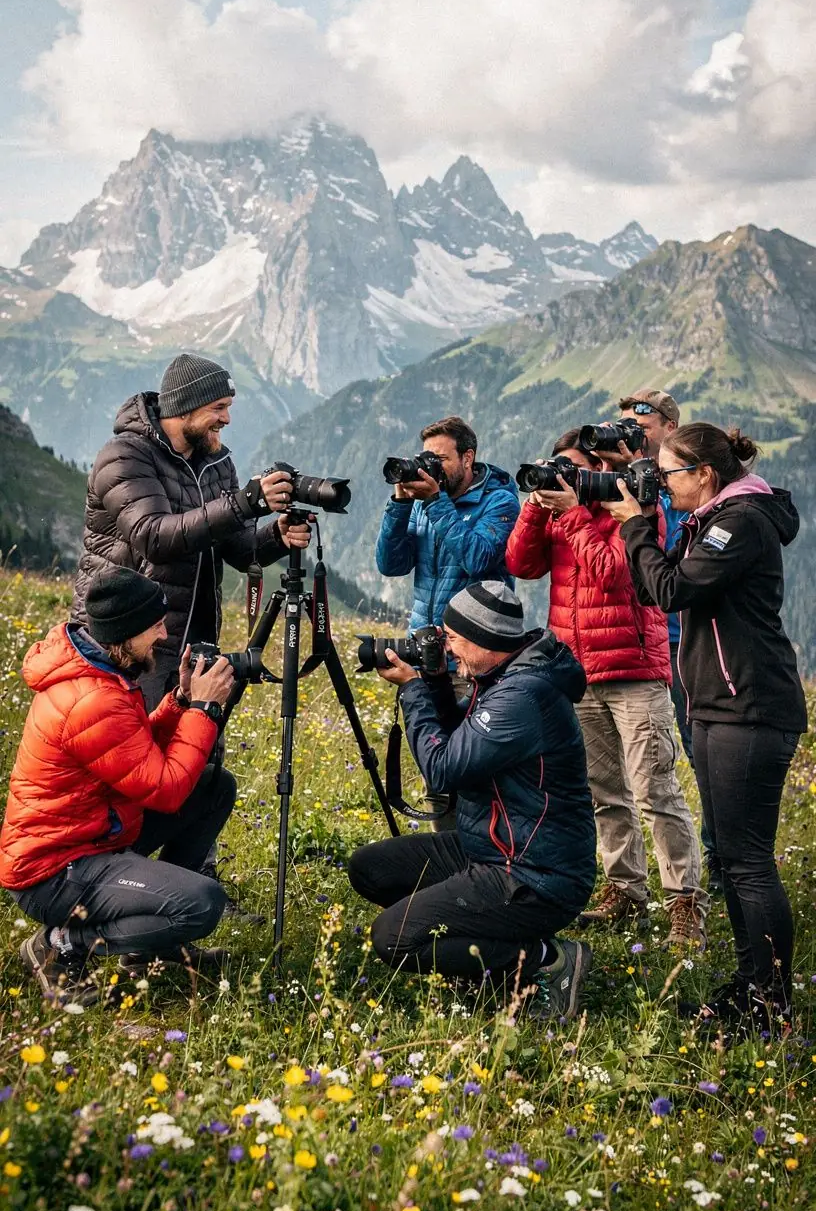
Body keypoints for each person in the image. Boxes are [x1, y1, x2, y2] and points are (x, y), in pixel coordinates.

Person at [71, 352, 313, 916]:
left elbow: (235, 546)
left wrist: (277, 534)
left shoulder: (214, 461)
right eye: (220, 408)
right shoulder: (122, 457)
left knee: (199, 760)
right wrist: (241, 503)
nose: (227, 420)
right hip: (131, 642)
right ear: (185, 406)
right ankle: (115, 889)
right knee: (138, 769)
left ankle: (186, 882)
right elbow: (153, 535)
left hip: (193, 635)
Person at [610, 423, 808, 1032]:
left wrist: (638, 523)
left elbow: (669, 590)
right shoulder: (718, 517)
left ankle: (771, 1003)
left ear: (704, 474)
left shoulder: (739, 523)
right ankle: (752, 984)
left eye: (669, 474)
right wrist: (650, 522)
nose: (663, 484)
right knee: (730, 855)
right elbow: (661, 585)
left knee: (748, 862)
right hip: (723, 707)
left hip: (749, 709)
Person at [348, 581, 597, 1019]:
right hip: (490, 845)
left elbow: (444, 767)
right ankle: (484, 954)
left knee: (394, 937)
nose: (447, 648)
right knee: (370, 869)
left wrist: (412, 692)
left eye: (453, 639)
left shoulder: (522, 695)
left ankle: (547, 960)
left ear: (486, 640)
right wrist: (439, 685)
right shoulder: (501, 675)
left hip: (533, 873)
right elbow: (466, 737)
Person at [505, 428, 707, 947]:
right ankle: (626, 891)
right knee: (604, 792)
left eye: (572, 470)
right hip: (578, 672)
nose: (564, 479)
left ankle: (685, 904)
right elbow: (521, 565)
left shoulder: (633, 508)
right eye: (558, 469)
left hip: (633, 670)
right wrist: (535, 506)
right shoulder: (557, 515)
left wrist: (573, 513)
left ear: (597, 472)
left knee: (655, 790)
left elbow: (614, 574)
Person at [0, 569, 237, 1008]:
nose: (164, 636)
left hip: (90, 835)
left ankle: (156, 950)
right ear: (125, 633)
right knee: (201, 904)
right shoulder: (93, 698)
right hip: (54, 871)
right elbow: (165, 791)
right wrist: (204, 709)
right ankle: (59, 943)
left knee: (213, 787)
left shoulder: (101, 670)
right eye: (155, 627)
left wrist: (180, 702)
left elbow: (132, 752)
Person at [617, 388, 721, 889]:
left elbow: (676, 556)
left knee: (702, 752)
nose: (634, 437)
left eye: (643, 428)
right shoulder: (633, 480)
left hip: (687, 635)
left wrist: (650, 492)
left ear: (669, 429)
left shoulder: (683, 485)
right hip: (646, 637)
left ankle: (718, 861)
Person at [375, 415, 519, 634]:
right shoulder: (424, 503)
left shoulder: (500, 502)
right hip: (424, 638)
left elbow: (477, 560)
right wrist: (400, 504)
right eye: (427, 459)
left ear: (467, 458)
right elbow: (391, 565)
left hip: (475, 644)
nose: (433, 469)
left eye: (440, 459)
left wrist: (434, 501)